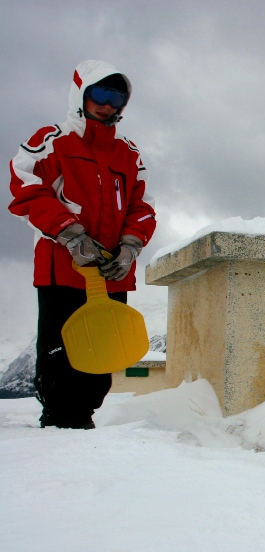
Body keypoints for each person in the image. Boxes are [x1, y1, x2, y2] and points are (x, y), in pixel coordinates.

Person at [8, 60, 157, 429]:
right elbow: (26, 188)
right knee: (62, 354)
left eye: (117, 97)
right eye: (100, 94)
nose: (108, 105)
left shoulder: (129, 154)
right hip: (64, 270)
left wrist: (129, 248)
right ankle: (59, 421)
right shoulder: (52, 142)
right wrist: (70, 235)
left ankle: (84, 422)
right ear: (81, 95)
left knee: (100, 356)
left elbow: (143, 206)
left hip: (110, 272)